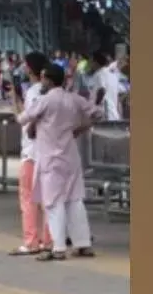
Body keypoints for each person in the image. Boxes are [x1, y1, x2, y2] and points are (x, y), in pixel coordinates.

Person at [17, 63, 100, 261]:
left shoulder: (45, 100)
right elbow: (97, 113)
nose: (41, 81)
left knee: (53, 204)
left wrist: (17, 103)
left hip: (50, 159)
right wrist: (79, 129)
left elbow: (22, 119)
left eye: (43, 77)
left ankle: (58, 247)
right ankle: (82, 244)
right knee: (75, 201)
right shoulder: (74, 99)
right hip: (70, 157)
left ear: (48, 80)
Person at [9, 52, 51, 256]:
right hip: (47, 151)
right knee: (47, 200)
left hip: (31, 152)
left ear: (31, 68)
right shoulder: (51, 92)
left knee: (28, 198)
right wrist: (16, 99)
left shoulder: (34, 91)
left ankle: (31, 240)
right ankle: (48, 240)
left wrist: (14, 101)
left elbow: (26, 119)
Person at [91, 50, 122, 121]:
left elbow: (102, 90)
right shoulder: (113, 75)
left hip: (104, 115)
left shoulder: (99, 74)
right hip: (114, 115)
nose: (90, 63)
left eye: (91, 61)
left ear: (96, 62)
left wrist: (95, 106)